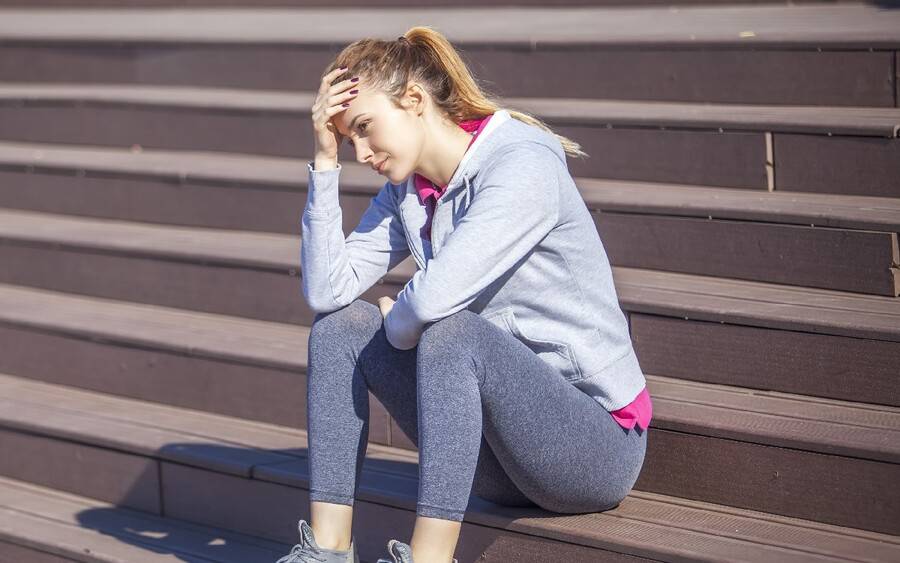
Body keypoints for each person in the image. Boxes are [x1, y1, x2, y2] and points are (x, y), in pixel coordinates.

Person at [278, 25, 652, 563]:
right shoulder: (406, 191)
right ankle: (327, 551)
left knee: (452, 335)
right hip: (499, 460)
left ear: (414, 100)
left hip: (592, 451)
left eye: (363, 128)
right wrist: (323, 160)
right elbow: (326, 291)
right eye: (346, 138)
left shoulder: (520, 165)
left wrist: (402, 321)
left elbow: (428, 307)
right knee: (338, 330)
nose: (360, 151)